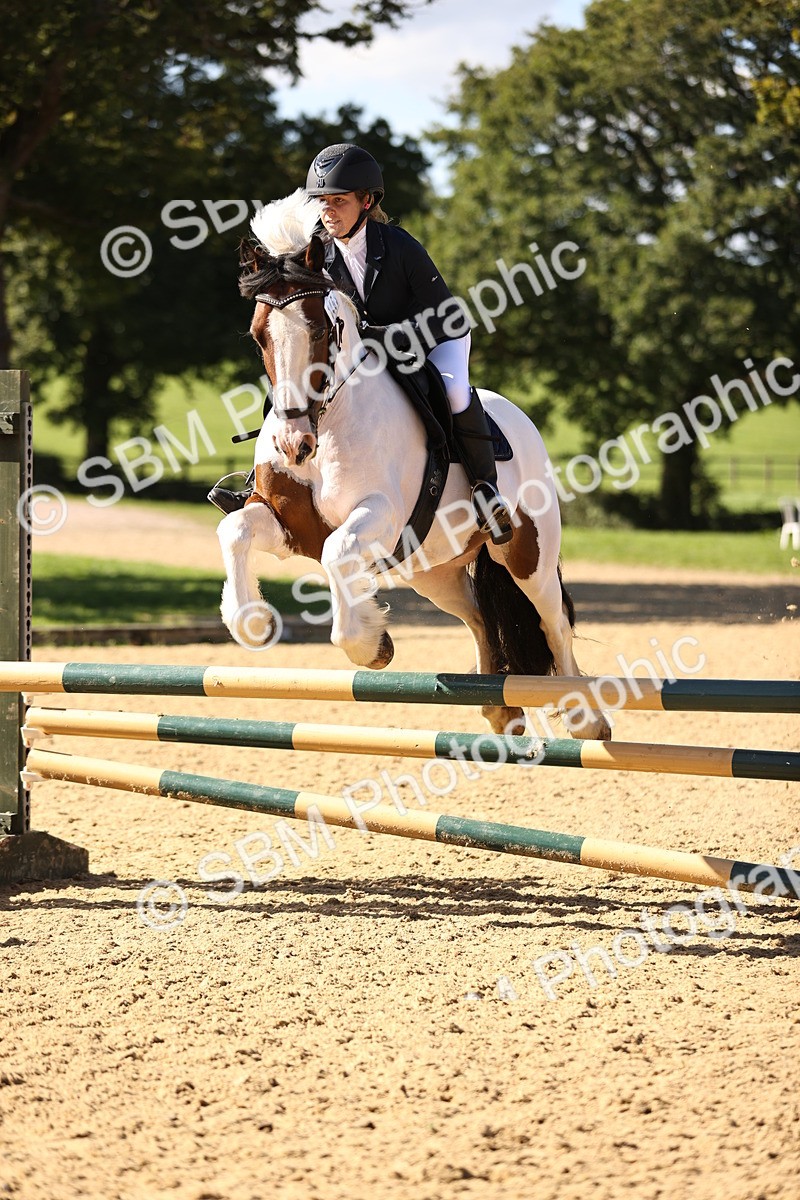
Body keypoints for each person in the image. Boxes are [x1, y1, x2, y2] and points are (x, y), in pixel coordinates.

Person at [211, 143, 513, 544]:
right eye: (323, 201)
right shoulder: (317, 254)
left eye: (339, 201)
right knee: (294, 385)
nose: (328, 211)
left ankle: (485, 490)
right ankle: (257, 484)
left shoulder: (400, 247)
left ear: (366, 202)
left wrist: (383, 336)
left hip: (432, 339)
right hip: (364, 349)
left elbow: (443, 315)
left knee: (454, 392)